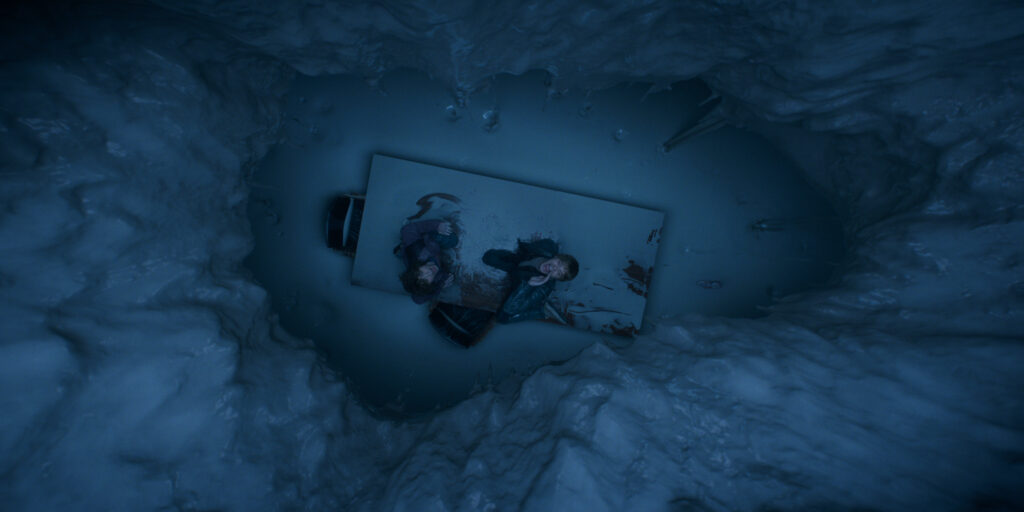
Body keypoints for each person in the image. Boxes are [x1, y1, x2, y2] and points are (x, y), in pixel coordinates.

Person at [483, 238, 578, 323]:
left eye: (558, 273)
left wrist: (528, 285)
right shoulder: (548, 247)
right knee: (489, 257)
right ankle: (540, 306)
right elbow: (542, 245)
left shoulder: (542, 288)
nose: (553, 268)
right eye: (558, 263)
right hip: (519, 264)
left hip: (521, 281)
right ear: (556, 256)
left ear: (556, 278)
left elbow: (509, 309)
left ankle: (540, 311)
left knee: (502, 318)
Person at [399, 219, 458, 304]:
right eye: (425, 281)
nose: (429, 273)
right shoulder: (435, 280)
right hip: (434, 253)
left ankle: (403, 247)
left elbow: (406, 230)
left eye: (421, 273)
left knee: (452, 239)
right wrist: (440, 286)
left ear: (417, 267)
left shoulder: (416, 249)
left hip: (424, 244)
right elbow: (418, 300)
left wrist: (436, 226)